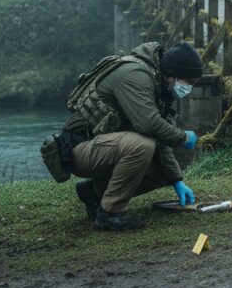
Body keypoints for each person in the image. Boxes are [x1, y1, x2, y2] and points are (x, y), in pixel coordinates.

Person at [62, 41, 204, 231]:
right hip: (78, 149)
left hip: (104, 146)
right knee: (142, 145)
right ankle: (110, 213)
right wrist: (183, 137)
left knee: (164, 170)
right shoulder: (135, 76)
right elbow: (148, 124)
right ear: (174, 74)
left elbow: (160, 139)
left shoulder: (157, 84)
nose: (190, 89)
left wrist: (176, 180)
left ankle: (95, 193)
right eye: (190, 83)